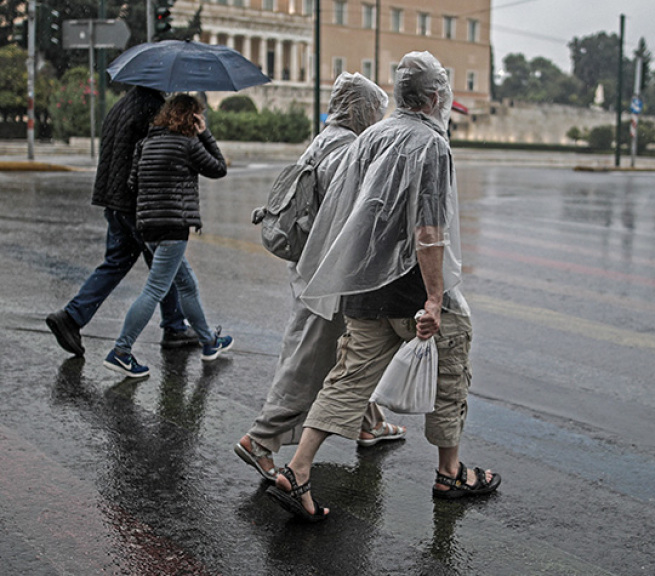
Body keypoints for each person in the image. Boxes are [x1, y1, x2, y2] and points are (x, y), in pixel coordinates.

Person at [266, 52, 498, 522]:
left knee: (347, 381)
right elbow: (429, 230)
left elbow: (351, 211)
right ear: (435, 97)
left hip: (365, 290)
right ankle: (449, 473)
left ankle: (297, 468)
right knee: (449, 373)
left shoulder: (371, 136)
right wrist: (435, 298)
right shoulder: (431, 145)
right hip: (415, 289)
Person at [234, 73, 401, 482]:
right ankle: (260, 439)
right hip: (329, 274)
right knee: (311, 359)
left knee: (351, 350)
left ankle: (370, 421)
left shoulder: (324, 139)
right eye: (375, 111)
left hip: (312, 267)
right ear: (361, 110)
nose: (378, 119)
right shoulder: (349, 151)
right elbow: (353, 218)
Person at [46, 86, 200, 357]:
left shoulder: (122, 104)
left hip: (114, 200)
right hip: (137, 204)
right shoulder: (152, 109)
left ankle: (71, 318)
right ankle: (174, 328)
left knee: (117, 262)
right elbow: (159, 155)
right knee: (167, 264)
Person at [104, 94, 233, 378]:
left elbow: (132, 182)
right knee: (155, 290)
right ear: (192, 117)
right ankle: (121, 351)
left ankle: (209, 342)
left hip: (148, 227)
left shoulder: (145, 144)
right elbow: (219, 168)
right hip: (174, 227)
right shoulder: (187, 145)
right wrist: (205, 133)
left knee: (186, 284)